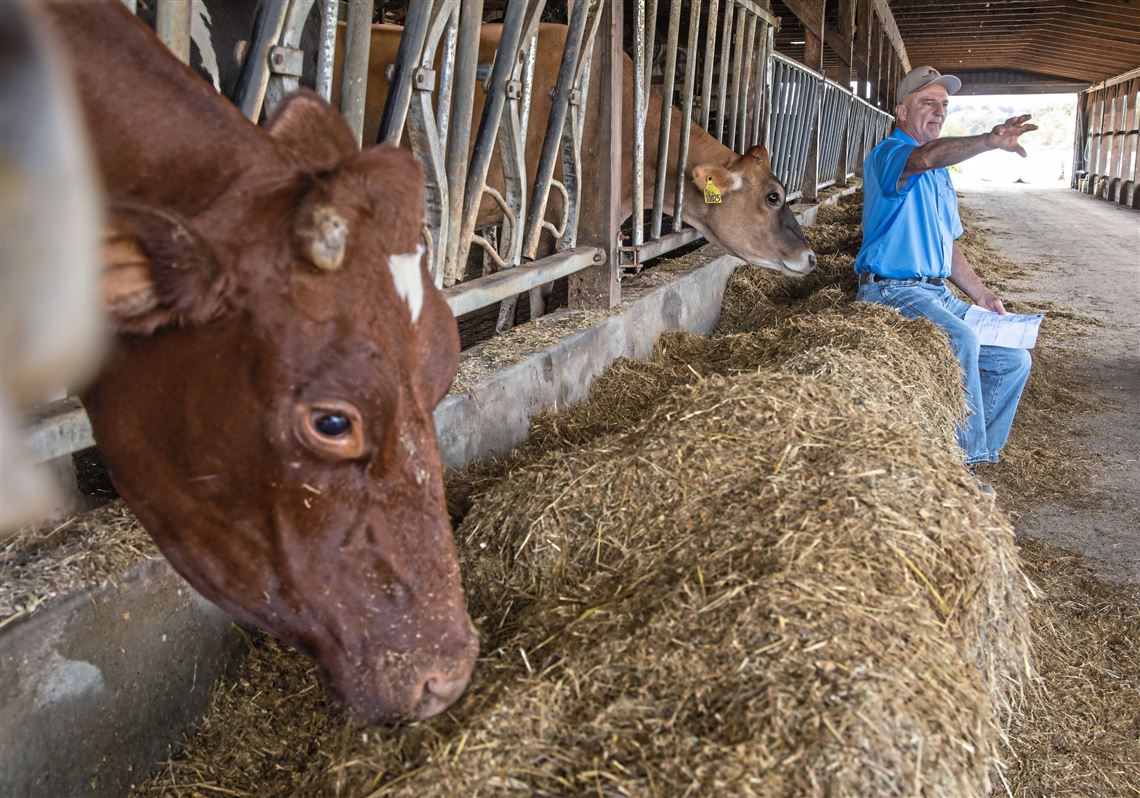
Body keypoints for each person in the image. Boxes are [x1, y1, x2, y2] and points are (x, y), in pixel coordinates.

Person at [854, 66, 1038, 494]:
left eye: (943, 105)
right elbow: (926, 156)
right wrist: (990, 141)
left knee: (1013, 359)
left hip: (937, 292)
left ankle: (968, 454)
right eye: (927, 103)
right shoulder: (891, 153)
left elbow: (948, 245)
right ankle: (960, 474)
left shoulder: (941, 174)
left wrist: (981, 293)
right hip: (890, 289)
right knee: (961, 340)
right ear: (901, 111)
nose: (938, 111)